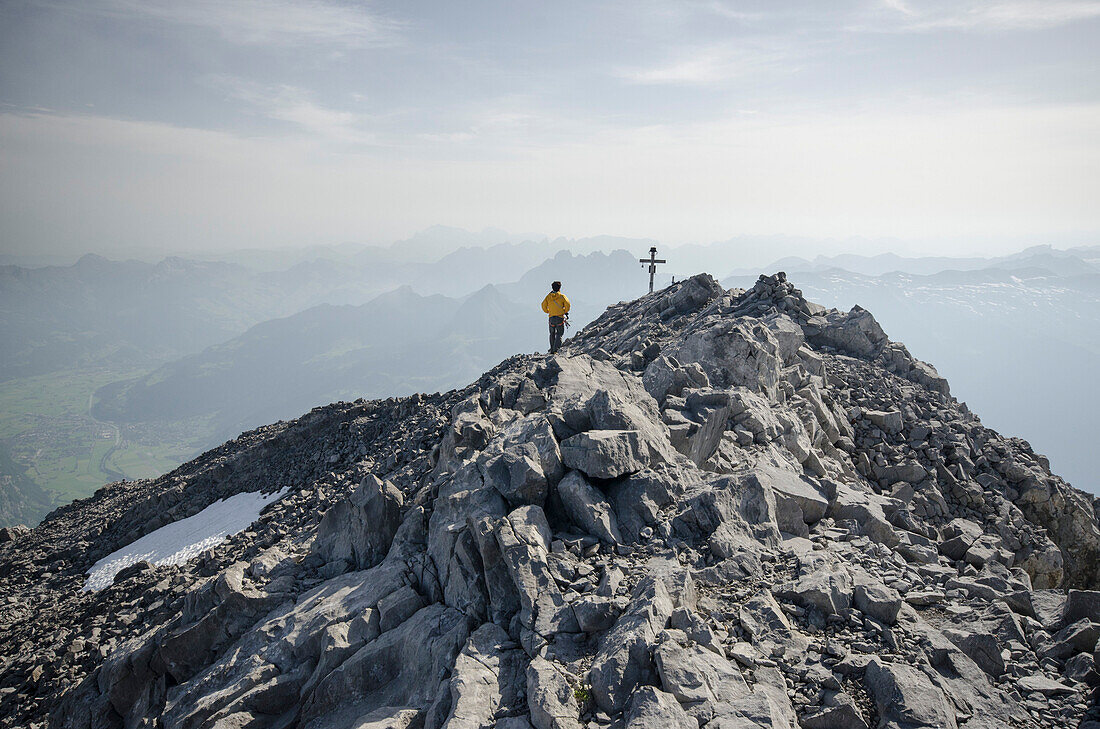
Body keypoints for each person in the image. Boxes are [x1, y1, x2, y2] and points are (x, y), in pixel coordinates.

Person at [541, 281, 570, 354]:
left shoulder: (548, 297)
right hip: (559, 317)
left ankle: (552, 349)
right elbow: (567, 305)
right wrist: (564, 311)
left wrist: (548, 311)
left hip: (551, 317)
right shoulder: (562, 296)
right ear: (560, 288)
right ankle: (556, 350)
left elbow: (543, 305)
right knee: (559, 333)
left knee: (552, 333)